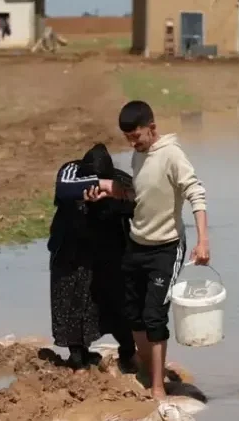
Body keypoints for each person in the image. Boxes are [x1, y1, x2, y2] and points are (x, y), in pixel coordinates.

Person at [86, 100, 209, 400]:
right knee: (134, 314)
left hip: (166, 248)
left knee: (154, 316)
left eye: (137, 136)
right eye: (128, 138)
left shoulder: (172, 155)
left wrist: (203, 241)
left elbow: (196, 193)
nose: (133, 142)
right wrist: (108, 188)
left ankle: (157, 387)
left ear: (152, 128)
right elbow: (138, 194)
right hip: (136, 244)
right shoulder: (138, 156)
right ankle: (146, 367)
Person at [48, 143, 137, 371]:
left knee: (118, 303)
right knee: (71, 303)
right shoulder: (71, 171)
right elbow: (63, 188)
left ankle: (128, 353)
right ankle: (78, 357)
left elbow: (140, 200)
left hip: (110, 252)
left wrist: (116, 196)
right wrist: (99, 185)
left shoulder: (120, 180)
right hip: (70, 251)